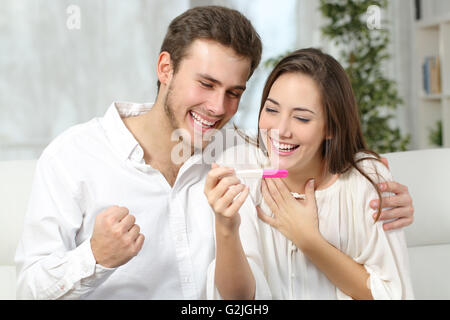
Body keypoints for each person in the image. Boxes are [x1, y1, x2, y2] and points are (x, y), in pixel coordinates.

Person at [15, 6, 413, 299]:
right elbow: (28, 289)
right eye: (205, 84)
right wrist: (94, 256)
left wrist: (372, 179)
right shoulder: (74, 157)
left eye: (234, 93)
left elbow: (310, 160)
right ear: (165, 69)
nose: (218, 107)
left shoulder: (242, 157)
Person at [205, 48, 414, 300]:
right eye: (271, 110)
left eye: (301, 118)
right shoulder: (239, 168)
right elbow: (238, 299)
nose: (280, 130)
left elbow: (392, 295)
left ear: (331, 128)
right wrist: (225, 227)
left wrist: (308, 240)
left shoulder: (366, 181)